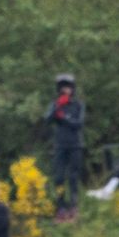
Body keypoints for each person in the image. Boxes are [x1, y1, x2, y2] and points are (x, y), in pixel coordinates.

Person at [46, 74, 87, 218]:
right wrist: (57, 107)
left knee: (73, 176)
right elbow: (47, 119)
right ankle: (60, 204)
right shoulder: (55, 104)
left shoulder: (78, 105)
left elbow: (79, 124)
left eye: (68, 87)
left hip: (75, 144)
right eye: (63, 87)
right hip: (60, 145)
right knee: (58, 177)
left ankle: (74, 204)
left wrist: (63, 117)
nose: (66, 90)